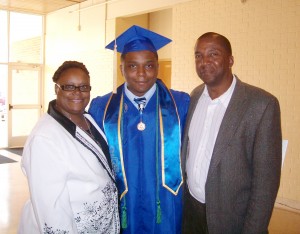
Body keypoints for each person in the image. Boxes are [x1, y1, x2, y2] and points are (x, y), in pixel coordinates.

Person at [89, 25, 190, 233]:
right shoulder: (102, 108)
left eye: (149, 66)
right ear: (122, 69)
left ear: (157, 67)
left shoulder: (180, 104)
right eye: (133, 66)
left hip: (167, 205)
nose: (142, 74)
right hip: (123, 204)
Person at [182, 32, 282, 234]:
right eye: (198, 55)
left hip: (232, 221)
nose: (204, 61)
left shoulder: (261, 105)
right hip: (192, 215)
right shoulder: (194, 97)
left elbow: (265, 185)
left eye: (213, 54)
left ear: (230, 60)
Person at [18, 61, 120, 234]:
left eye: (84, 87)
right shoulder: (45, 138)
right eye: (69, 87)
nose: (78, 93)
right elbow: (51, 207)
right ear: (56, 89)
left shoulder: (88, 119)